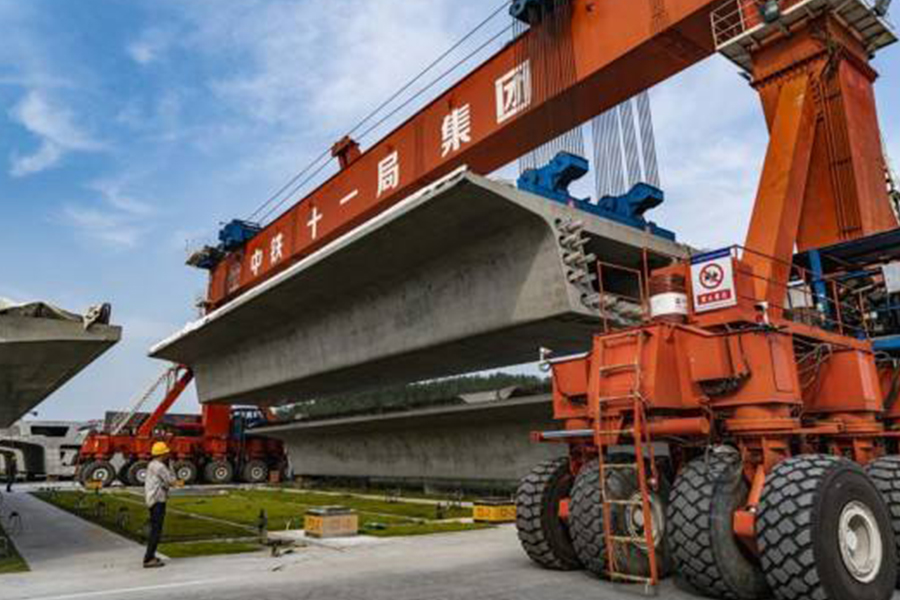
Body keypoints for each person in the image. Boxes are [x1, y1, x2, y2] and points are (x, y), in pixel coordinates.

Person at [143, 441, 176, 568]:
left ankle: (151, 555)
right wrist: (171, 466)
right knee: (156, 531)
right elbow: (171, 481)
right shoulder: (160, 467)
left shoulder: (152, 464)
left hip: (152, 499)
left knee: (155, 529)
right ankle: (148, 558)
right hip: (158, 500)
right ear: (162, 454)